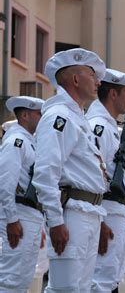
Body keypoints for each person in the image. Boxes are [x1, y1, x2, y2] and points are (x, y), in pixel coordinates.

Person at [33, 48, 107, 292]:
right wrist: (55, 221)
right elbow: (45, 173)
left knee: (81, 289)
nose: (98, 81)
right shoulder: (60, 116)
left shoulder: (78, 118)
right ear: (75, 79)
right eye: (91, 74)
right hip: (72, 213)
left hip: (89, 212)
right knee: (65, 289)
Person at [87, 68, 125, 292]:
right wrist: (100, 221)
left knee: (111, 280)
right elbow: (93, 176)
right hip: (108, 212)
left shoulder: (110, 127)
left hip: (119, 213)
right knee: (101, 280)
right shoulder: (98, 126)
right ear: (113, 94)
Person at [0, 96, 44, 291]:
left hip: (30, 215)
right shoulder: (16, 141)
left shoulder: (30, 141)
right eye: (38, 113)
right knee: (11, 278)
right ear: (25, 115)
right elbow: (5, 182)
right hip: (19, 214)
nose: (42, 117)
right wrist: (11, 219)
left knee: (23, 278)